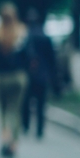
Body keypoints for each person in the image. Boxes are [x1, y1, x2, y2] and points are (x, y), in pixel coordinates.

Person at [0, 2, 29, 158]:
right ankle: (14, 143)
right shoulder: (21, 34)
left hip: (2, 77)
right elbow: (30, 56)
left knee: (3, 111)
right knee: (15, 110)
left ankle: (5, 136)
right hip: (18, 77)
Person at [21, 8, 55, 138]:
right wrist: (52, 75)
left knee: (26, 103)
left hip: (28, 75)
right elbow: (51, 58)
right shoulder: (45, 36)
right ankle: (40, 130)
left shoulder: (25, 37)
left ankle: (26, 125)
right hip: (43, 76)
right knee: (41, 104)